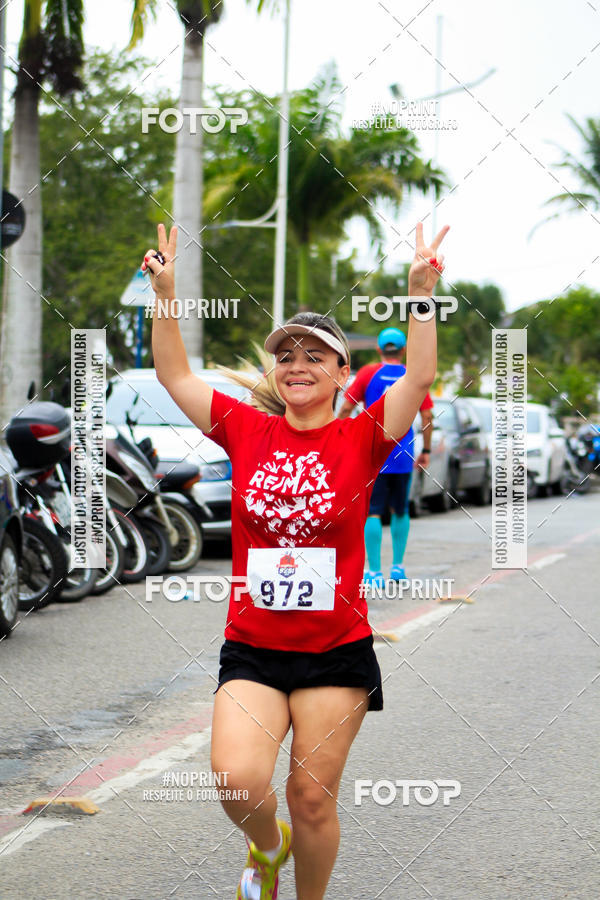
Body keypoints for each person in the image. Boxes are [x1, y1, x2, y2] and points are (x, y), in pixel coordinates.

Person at [144, 220, 448, 900]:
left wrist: (421, 295)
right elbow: (175, 373)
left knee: (311, 795)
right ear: (275, 371)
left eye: (316, 355)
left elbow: (421, 373)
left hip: (335, 650)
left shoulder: (363, 437)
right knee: (237, 780)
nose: (298, 364)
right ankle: (266, 846)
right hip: (254, 646)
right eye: (287, 354)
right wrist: (164, 293)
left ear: (344, 373)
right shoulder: (245, 427)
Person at [338, 328, 434, 586]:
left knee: (373, 512)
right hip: (404, 453)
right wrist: (426, 449)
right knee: (401, 509)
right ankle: (398, 568)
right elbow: (426, 416)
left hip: (372, 452)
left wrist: (336, 436)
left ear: (379, 349)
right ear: (403, 351)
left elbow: (347, 407)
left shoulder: (369, 373)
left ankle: (374, 572)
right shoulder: (412, 376)